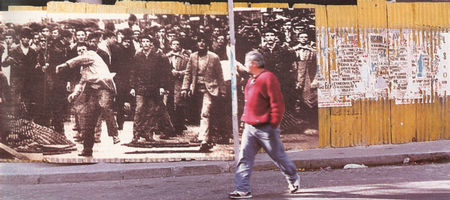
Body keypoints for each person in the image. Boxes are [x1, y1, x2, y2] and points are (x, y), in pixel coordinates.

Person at [229, 50, 300, 199]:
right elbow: (249, 103)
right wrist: (245, 120)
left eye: (246, 62)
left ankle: (293, 178)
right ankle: (243, 190)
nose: (245, 65)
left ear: (254, 64)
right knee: (244, 158)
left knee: (278, 156)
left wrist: (273, 123)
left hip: (266, 128)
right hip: (250, 127)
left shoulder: (268, 78)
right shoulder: (251, 79)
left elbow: (277, 103)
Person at [56, 42, 120, 157]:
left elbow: (80, 59)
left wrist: (64, 65)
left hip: (105, 87)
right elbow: (81, 83)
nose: (81, 52)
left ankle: (114, 134)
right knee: (89, 121)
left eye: (83, 49)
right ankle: (87, 149)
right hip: (94, 92)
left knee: (105, 106)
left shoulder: (92, 55)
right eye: (79, 51)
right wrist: (74, 94)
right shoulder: (83, 70)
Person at [181, 34, 225, 152]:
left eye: (203, 41)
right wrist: (185, 88)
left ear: (207, 44)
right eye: (199, 42)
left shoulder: (214, 57)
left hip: (209, 89)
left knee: (205, 113)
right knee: (198, 115)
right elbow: (188, 73)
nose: (201, 44)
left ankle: (204, 140)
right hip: (196, 90)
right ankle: (207, 136)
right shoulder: (193, 56)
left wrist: (223, 90)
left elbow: (220, 75)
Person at [129, 34, 174, 143]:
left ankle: (148, 132)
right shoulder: (137, 56)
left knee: (151, 111)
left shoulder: (157, 57)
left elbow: (162, 73)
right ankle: (136, 134)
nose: (145, 44)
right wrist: (132, 87)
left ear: (151, 44)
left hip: (153, 87)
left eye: (147, 42)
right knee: (139, 110)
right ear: (140, 43)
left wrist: (162, 86)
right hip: (140, 87)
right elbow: (133, 72)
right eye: (143, 41)